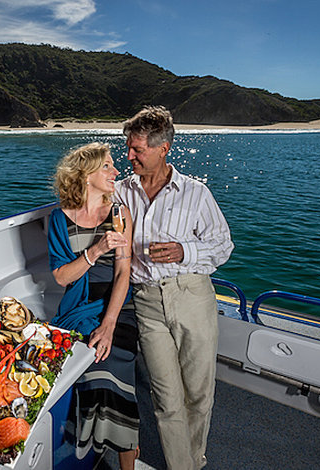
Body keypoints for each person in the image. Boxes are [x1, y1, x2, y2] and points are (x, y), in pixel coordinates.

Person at [114, 106, 234, 470]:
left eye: (137, 149)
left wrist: (185, 251)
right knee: (166, 399)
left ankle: (193, 461)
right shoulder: (120, 192)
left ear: (163, 148)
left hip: (192, 296)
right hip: (147, 302)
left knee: (198, 393)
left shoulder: (196, 193)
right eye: (128, 147)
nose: (129, 156)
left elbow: (223, 246)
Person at [47, 142, 140, 470]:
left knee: (111, 366)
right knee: (84, 365)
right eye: (107, 166)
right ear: (86, 175)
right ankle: (89, 450)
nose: (116, 171)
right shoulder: (60, 219)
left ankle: (128, 456)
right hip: (78, 306)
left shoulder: (120, 214)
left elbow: (124, 273)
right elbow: (62, 277)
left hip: (117, 306)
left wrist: (109, 324)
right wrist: (96, 250)